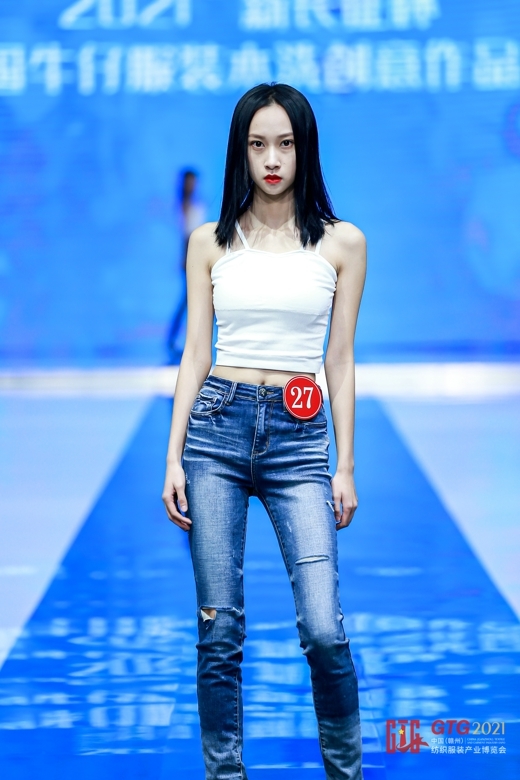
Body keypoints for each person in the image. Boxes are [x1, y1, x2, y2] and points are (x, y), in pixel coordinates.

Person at [162, 83, 367, 780]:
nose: (272, 160)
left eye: (285, 144)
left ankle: (345, 772)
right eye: (258, 145)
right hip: (215, 432)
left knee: (323, 629)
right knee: (218, 631)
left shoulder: (342, 243)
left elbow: (340, 360)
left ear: (305, 150)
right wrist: (173, 457)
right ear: (240, 152)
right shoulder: (210, 242)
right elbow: (196, 353)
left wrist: (344, 465)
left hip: (300, 439)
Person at [167, 169, 206, 362]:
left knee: (193, 300)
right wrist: (185, 258)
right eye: (189, 182)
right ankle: (175, 340)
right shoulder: (180, 206)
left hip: (196, 257)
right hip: (189, 259)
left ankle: (179, 339)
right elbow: (185, 236)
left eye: (193, 182)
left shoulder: (196, 206)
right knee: (188, 300)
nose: (191, 186)